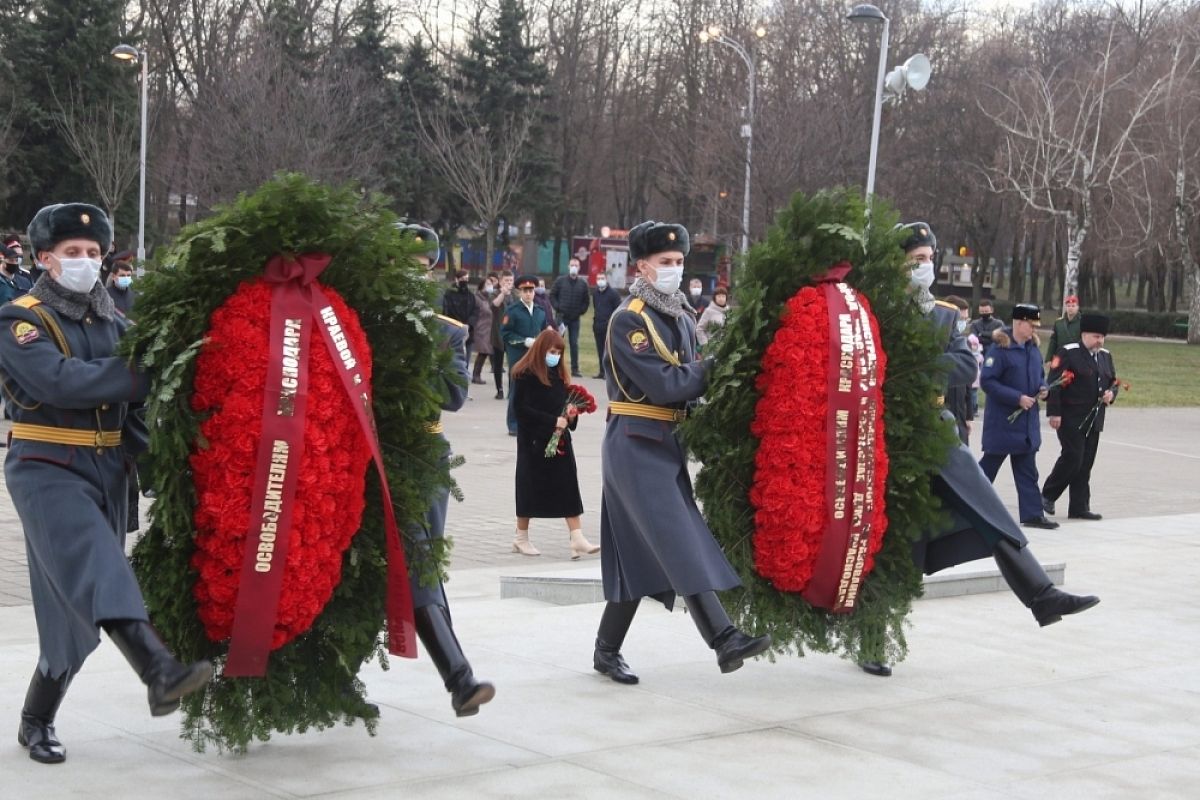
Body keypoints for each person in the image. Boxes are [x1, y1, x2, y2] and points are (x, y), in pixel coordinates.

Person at [2, 203, 212, 763]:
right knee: (102, 569)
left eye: (94, 254)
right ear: (45, 259)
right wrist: (142, 371)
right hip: (46, 466)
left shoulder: (115, 322)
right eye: (73, 253)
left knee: (75, 608)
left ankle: (35, 718)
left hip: (107, 468)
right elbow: (60, 382)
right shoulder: (22, 319)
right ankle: (158, 670)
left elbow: (136, 408)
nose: (86, 262)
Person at [859, 223, 1098, 678]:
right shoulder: (878, 313)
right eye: (915, 260)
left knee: (990, 511)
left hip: (937, 427)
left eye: (928, 258)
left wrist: (912, 360)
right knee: (893, 542)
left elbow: (966, 364)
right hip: (891, 433)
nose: (924, 267)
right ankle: (874, 640)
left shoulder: (947, 315)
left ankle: (1041, 595)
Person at [592, 220, 770, 685]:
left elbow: (688, 387)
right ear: (643, 267)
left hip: (666, 444)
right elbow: (665, 383)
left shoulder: (681, 317)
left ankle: (605, 651)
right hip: (634, 443)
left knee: (641, 553)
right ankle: (724, 638)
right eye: (665, 263)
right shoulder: (630, 318)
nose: (674, 269)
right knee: (677, 537)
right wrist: (718, 366)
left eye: (678, 262)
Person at [396, 223, 495, 717]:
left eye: (420, 269)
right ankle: (459, 678)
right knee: (401, 567)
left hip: (425, 458)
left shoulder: (446, 330)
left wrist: (416, 361)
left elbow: (455, 396)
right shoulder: (360, 326)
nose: (412, 278)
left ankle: (459, 679)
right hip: (376, 459)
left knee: (422, 564)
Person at [510, 328, 601, 559]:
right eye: (552, 352)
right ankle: (521, 538)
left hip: (560, 440)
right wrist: (552, 421)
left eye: (559, 353)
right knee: (529, 487)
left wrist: (571, 416)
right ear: (541, 349)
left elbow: (561, 405)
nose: (556, 357)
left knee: (568, 485)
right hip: (533, 440)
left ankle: (577, 538)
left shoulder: (558, 375)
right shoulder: (524, 374)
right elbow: (520, 410)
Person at [978, 303, 1058, 530]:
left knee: (1027, 471)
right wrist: (1017, 398)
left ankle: (1032, 514)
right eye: (1031, 325)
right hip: (1004, 423)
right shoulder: (1000, 349)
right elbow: (988, 382)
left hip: (1025, 425)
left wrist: (1043, 389)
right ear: (1019, 323)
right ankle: (968, 505)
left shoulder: (1032, 349)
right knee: (988, 469)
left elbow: (1039, 376)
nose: (1033, 330)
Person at [1041, 313, 1118, 521]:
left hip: (1094, 418)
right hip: (1070, 416)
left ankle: (1079, 506)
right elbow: (1054, 383)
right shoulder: (1068, 352)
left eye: (1102, 337)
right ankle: (1047, 495)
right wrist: (1054, 412)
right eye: (1095, 336)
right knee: (1073, 457)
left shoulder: (1105, 356)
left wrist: (1111, 394)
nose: (1099, 341)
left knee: (1086, 462)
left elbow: (1113, 381)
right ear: (1084, 334)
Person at [500, 275, 550, 435]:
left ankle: (530, 423)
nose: (528, 294)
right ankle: (513, 424)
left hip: (536, 358)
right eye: (525, 291)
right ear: (519, 292)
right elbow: (506, 334)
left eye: (531, 290)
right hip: (518, 356)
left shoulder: (540, 311)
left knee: (534, 390)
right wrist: (524, 341)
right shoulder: (513, 311)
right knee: (517, 391)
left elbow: (544, 330)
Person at [549, 257, 590, 377]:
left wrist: (580, 312)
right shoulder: (560, 281)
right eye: (572, 265)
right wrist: (558, 307)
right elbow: (552, 295)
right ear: (568, 266)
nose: (574, 267)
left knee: (574, 343)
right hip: (561, 317)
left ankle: (575, 369)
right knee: (557, 343)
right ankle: (555, 367)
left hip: (575, 319)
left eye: (576, 265)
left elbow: (586, 301)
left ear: (579, 267)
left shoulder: (583, 284)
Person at [942, 295, 974, 444]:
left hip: (960, 419)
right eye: (960, 319)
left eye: (966, 320)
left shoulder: (962, 344)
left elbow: (967, 384)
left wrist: (968, 416)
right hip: (942, 420)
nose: (963, 323)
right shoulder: (939, 345)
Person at [590, 269, 622, 378]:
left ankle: (610, 373)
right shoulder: (595, 293)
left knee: (608, 351)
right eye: (598, 279)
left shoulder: (613, 294)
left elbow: (618, 310)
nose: (600, 281)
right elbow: (595, 307)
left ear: (606, 279)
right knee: (600, 350)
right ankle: (601, 371)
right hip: (598, 326)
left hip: (608, 326)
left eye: (602, 278)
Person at [489, 270, 515, 399]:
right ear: (500, 281)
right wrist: (502, 294)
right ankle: (499, 389)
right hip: (498, 334)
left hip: (512, 334)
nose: (509, 283)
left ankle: (511, 389)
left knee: (513, 364)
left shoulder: (515, 295)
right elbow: (493, 306)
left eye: (511, 281)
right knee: (498, 364)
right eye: (506, 280)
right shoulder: (495, 293)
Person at [470, 275, 498, 387]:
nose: (490, 286)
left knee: (485, 352)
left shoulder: (490, 297)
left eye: (491, 284)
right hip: (480, 329)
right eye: (487, 284)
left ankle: (476, 374)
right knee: (483, 352)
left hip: (489, 328)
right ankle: (475, 375)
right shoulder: (477, 298)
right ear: (482, 286)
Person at [1046, 294, 1082, 361]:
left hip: (1077, 358)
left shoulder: (1082, 322)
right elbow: (1053, 341)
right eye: (1068, 306)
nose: (1070, 308)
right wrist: (1049, 358)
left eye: (1073, 306)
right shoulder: (1058, 323)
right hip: (1060, 358)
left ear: (1077, 307)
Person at [695, 284, 730, 349]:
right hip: (712, 349)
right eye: (719, 296)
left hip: (727, 348)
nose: (721, 299)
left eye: (723, 296)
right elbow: (699, 329)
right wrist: (706, 345)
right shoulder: (709, 311)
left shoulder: (729, 311)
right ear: (715, 298)